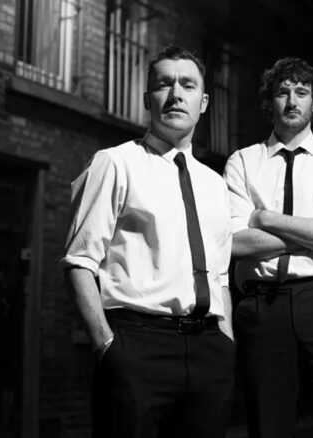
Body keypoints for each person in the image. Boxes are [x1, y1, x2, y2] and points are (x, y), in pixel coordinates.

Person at [60, 45, 234, 438]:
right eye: (164, 84)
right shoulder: (115, 163)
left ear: (204, 102)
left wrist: (226, 343)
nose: (176, 94)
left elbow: (220, 277)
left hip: (209, 351)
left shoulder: (215, 184)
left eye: (187, 85)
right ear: (147, 99)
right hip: (137, 346)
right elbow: (78, 262)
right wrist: (107, 346)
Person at [224, 57, 313, 438]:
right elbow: (236, 243)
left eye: (301, 92)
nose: (292, 101)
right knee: (268, 427)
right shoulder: (242, 162)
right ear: (268, 102)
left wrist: (265, 218)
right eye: (282, 92)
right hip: (263, 304)